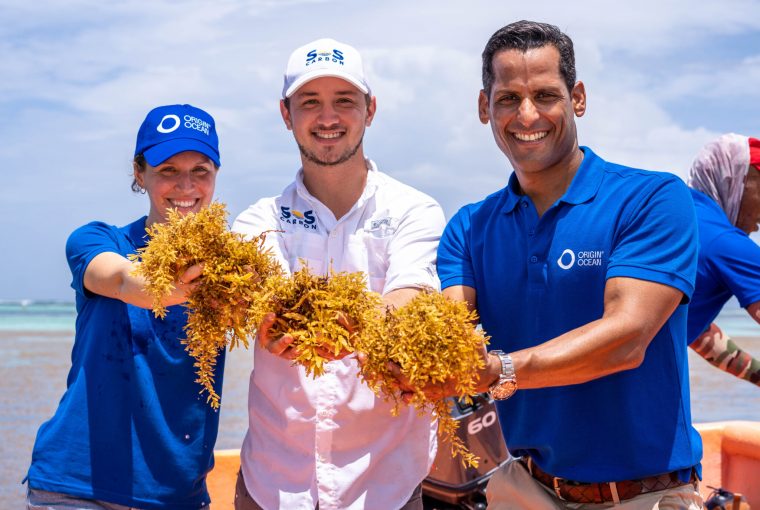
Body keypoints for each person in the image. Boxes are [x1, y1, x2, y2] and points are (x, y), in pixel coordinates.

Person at [435, 21, 703, 509]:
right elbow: (449, 335)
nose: (527, 114)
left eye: (545, 95)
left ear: (577, 98)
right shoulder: (469, 228)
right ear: (484, 107)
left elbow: (626, 338)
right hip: (523, 489)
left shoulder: (652, 199)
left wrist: (499, 370)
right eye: (508, 98)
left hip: (643, 495)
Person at [231, 38, 445, 510]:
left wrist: (322, 320)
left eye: (344, 101)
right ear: (286, 114)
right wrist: (269, 314)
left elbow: (409, 298)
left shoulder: (414, 210)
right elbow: (267, 297)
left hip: (385, 487)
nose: (328, 117)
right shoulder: (258, 220)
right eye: (310, 102)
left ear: (371, 110)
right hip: (272, 486)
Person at [25, 104, 226, 509]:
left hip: (179, 494)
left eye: (200, 170)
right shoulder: (97, 241)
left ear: (215, 175)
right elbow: (120, 279)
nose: (186, 185)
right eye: (168, 170)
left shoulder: (231, 266)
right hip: (78, 487)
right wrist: (186, 285)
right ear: (139, 173)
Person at [686, 133, 760, 386]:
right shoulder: (725, 242)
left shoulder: (678, 217)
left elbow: (692, 328)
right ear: (737, 179)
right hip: (635, 390)